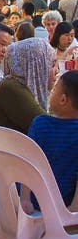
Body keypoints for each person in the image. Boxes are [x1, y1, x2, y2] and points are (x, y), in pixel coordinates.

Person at [28, 71, 78, 204]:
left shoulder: (40, 123)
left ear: (63, 100)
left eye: (55, 88)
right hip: (63, 202)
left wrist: (24, 199)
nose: (51, 91)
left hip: (34, 198)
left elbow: (27, 161)